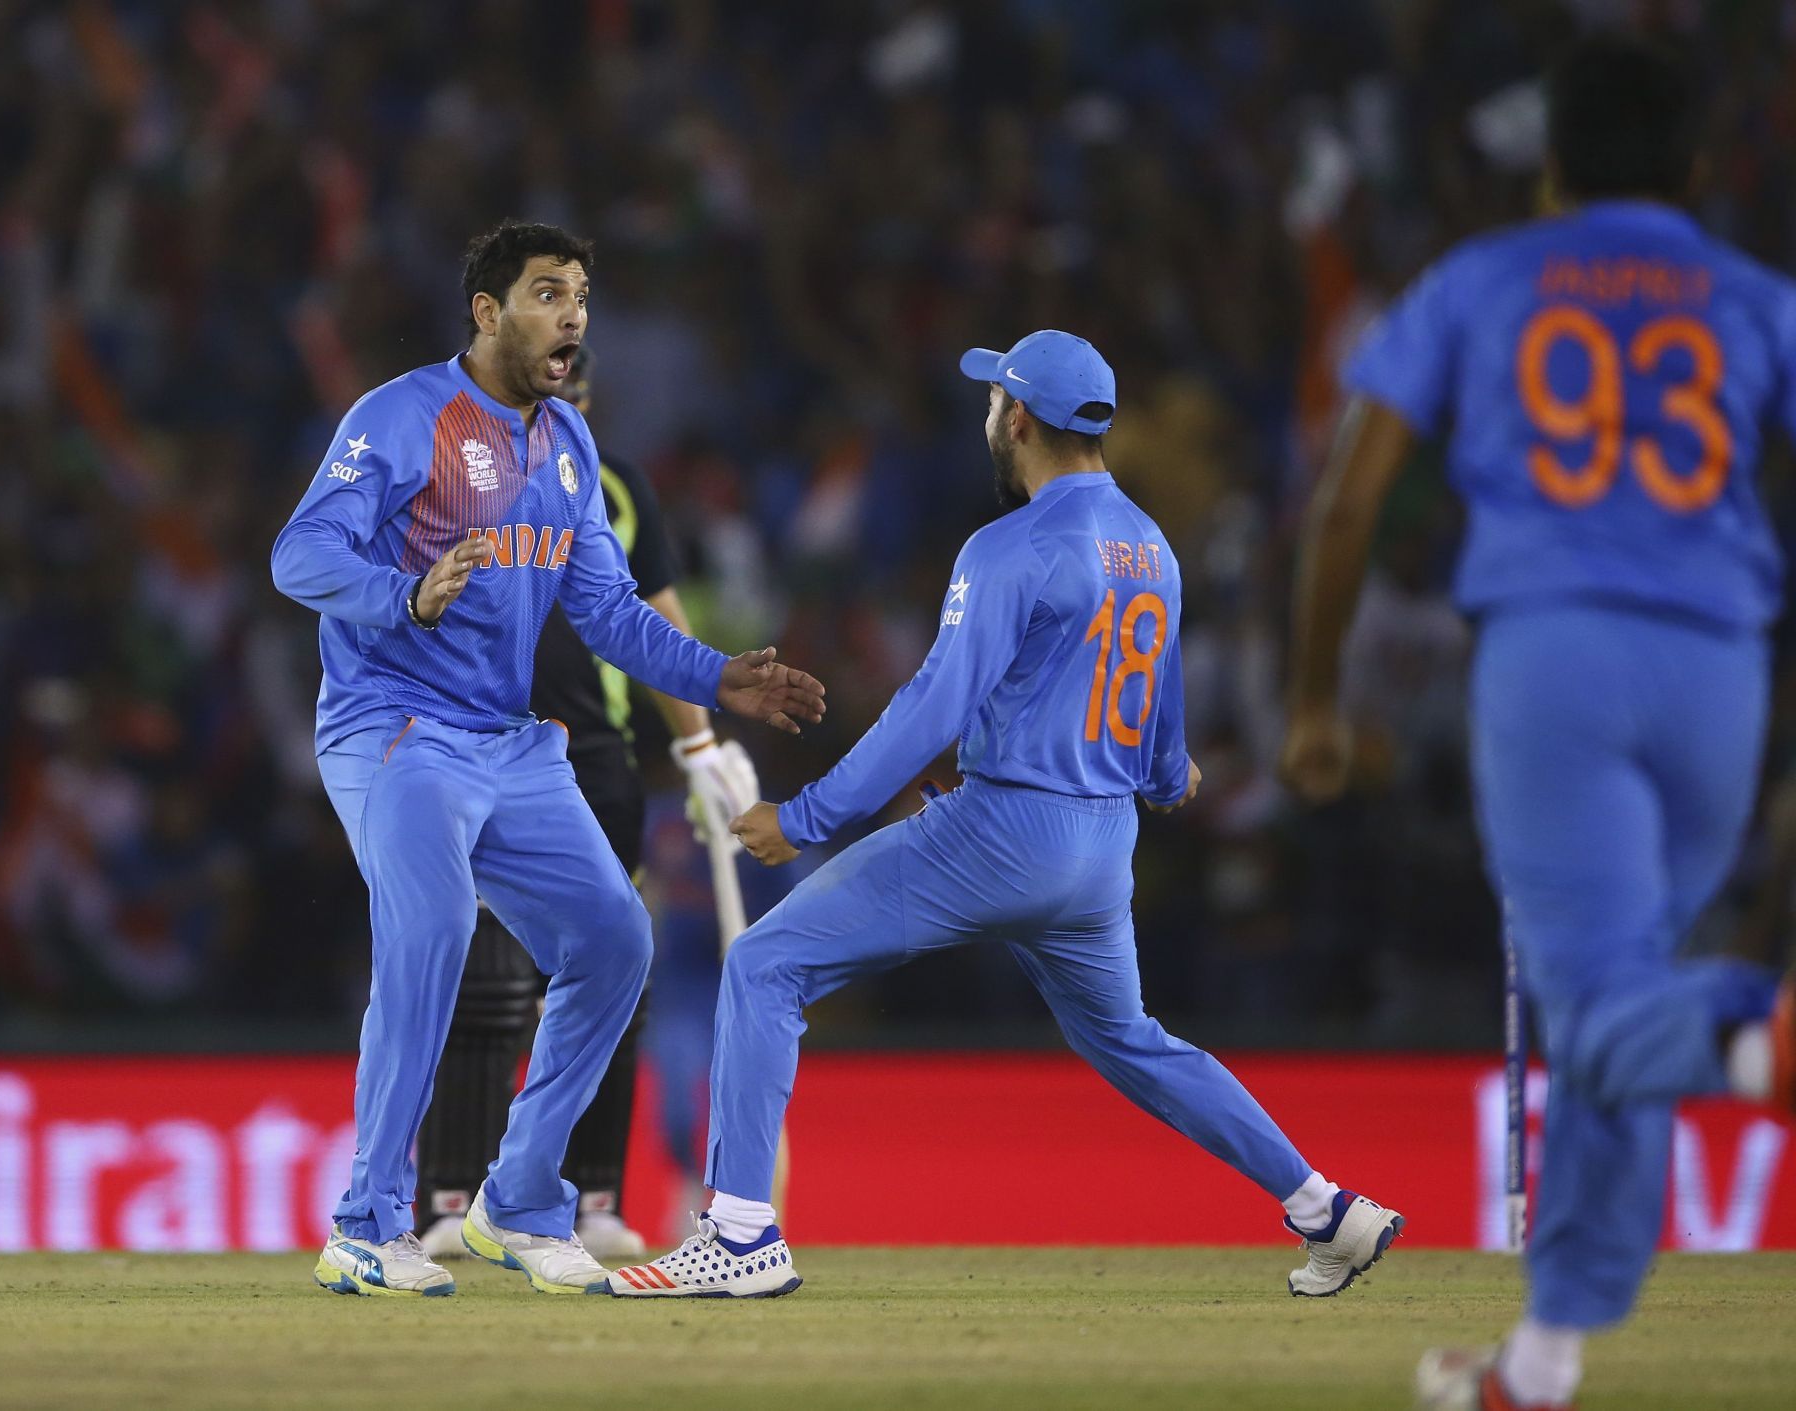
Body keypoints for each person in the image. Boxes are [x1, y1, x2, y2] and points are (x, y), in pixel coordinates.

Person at [602, 330, 1403, 1299]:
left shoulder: (1008, 546)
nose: (989, 415)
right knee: (1134, 1041)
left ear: (1017, 418)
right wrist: (1159, 771)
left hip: (1003, 830)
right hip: (1103, 846)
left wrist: (808, 816)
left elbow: (931, 707)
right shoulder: (1150, 543)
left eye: (995, 401)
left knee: (767, 966)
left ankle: (738, 1237)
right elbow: (1162, 709)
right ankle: (1327, 1207)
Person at [1278, 36, 1796, 1411]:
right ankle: (1543, 1364)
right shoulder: (1754, 297)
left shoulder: (1483, 280)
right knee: (1620, 1001)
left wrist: (1317, 695)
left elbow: (1346, 498)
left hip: (1555, 658)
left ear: (1552, 165)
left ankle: (1758, 1040)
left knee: (1608, 1001)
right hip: (1721, 667)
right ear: (1694, 167)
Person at [270, 219, 824, 1298]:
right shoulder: (400, 416)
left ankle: (519, 1196)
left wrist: (719, 678)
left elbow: (611, 613)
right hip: (395, 725)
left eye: (580, 293)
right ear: (486, 312)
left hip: (510, 743)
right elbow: (300, 553)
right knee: (429, 930)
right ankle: (365, 1221)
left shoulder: (567, 446)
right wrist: (403, 593)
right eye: (545, 292)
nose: (571, 312)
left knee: (618, 939)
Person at [415, 346, 760, 1266]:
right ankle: (454, 1192)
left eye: (571, 389)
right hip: (482, 744)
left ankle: (591, 1193)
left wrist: (696, 742)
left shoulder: (616, 487)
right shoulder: (453, 470)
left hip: (596, 763)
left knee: (612, 973)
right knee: (483, 980)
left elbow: (658, 615)